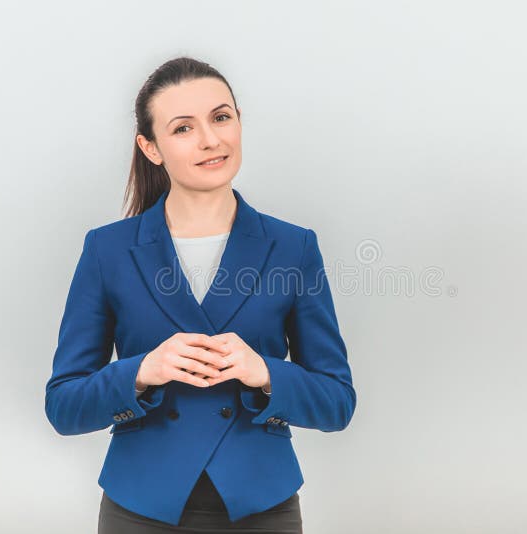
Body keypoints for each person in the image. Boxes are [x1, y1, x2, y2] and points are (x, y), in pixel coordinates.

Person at [44, 56, 357, 533]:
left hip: (261, 505)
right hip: (140, 507)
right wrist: (142, 371)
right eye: (183, 128)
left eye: (221, 117)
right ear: (151, 148)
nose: (211, 140)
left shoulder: (294, 247)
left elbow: (337, 402)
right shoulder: (107, 249)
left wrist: (266, 373)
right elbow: (64, 407)